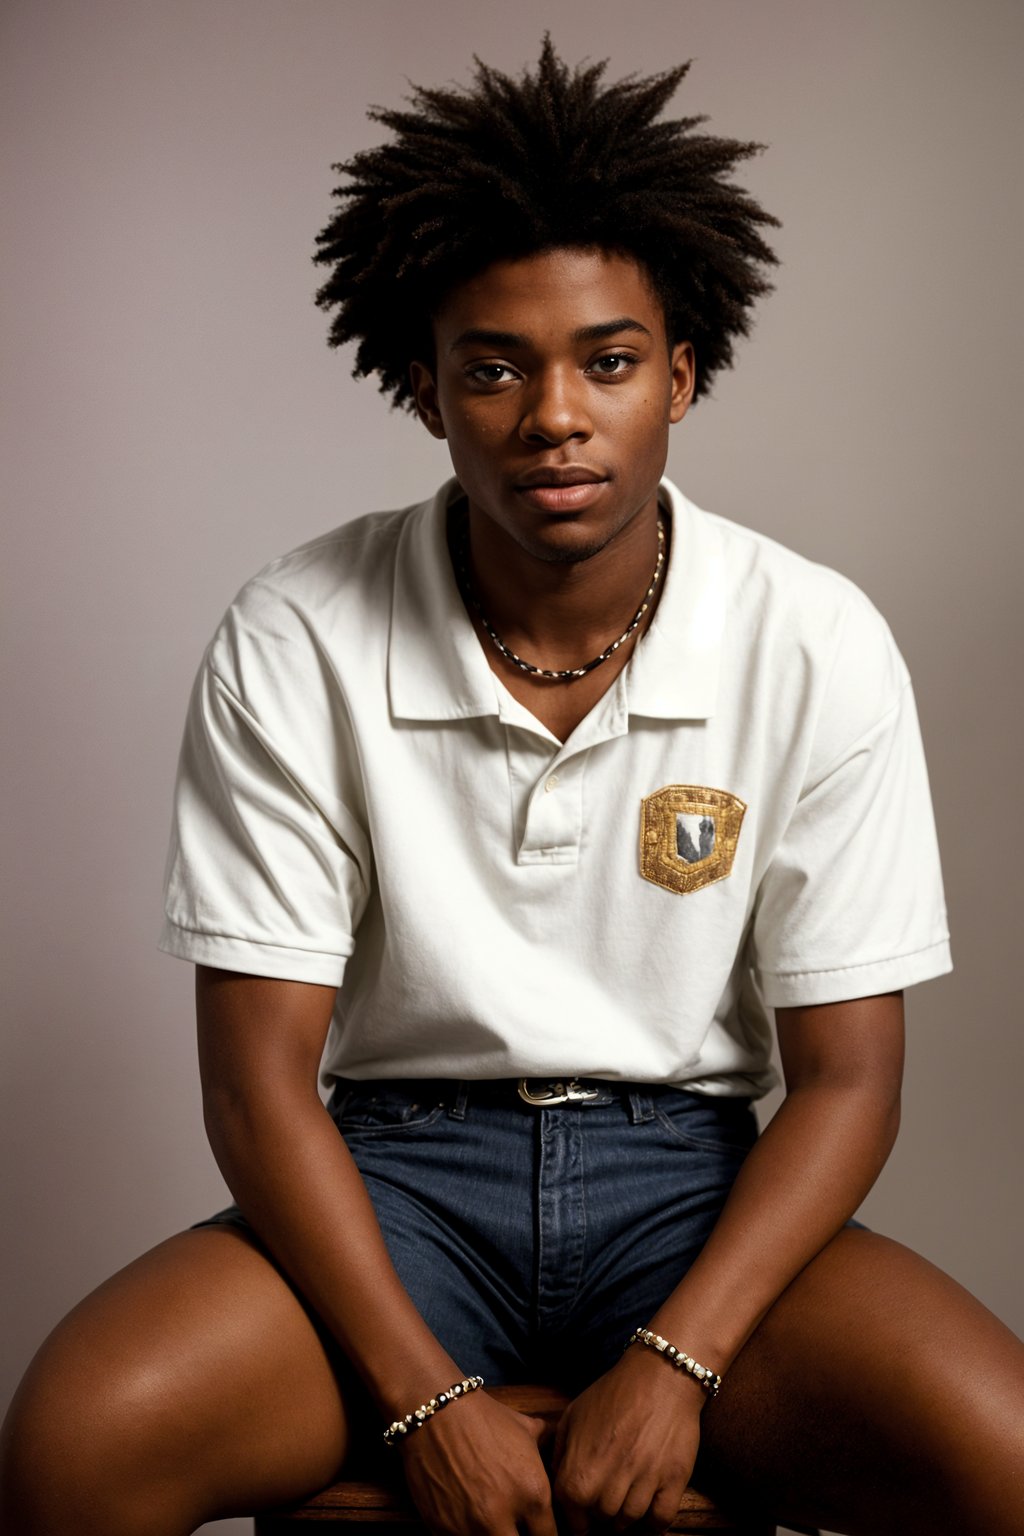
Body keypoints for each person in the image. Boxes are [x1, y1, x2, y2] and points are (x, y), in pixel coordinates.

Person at [2, 39, 1022, 1536]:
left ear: (681, 375)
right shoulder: (299, 631)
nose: (556, 414)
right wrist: (423, 1399)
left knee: (1001, 1461)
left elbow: (853, 1079)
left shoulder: (811, 636)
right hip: (396, 1190)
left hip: (687, 1195)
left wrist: (674, 1366)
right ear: (424, 388)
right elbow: (257, 1079)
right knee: (71, 1452)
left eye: (608, 362)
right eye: (496, 366)